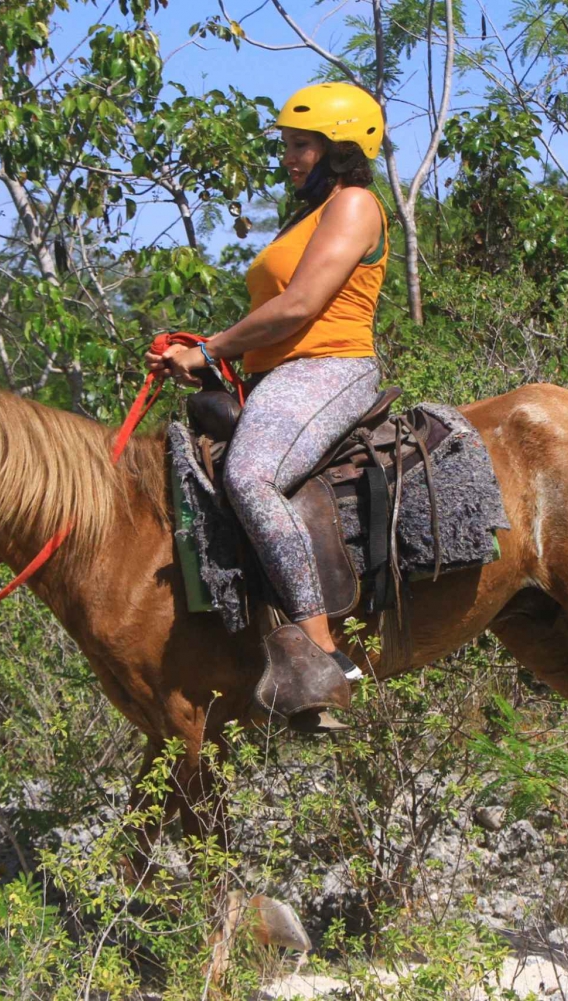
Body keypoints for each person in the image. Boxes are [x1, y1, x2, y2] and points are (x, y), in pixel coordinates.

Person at [145, 82, 389, 728]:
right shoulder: (306, 218)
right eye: (287, 146)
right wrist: (215, 352)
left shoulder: (356, 204)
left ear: (341, 151)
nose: (290, 158)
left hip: (329, 368)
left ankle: (321, 651)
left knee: (250, 474)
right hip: (280, 375)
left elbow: (302, 307)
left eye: (302, 146)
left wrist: (211, 348)